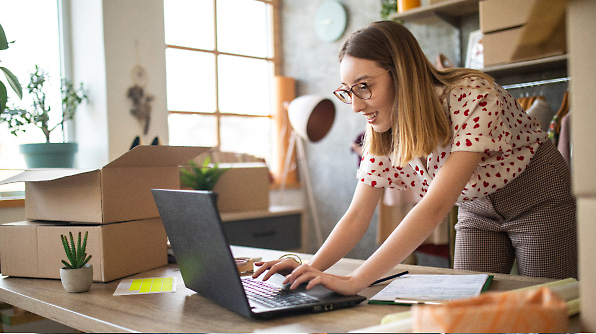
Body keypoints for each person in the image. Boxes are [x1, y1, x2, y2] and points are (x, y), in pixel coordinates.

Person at [253, 21, 577, 296]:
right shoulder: (381, 131)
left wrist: (356, 280)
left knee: (551, 301)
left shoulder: (474, 96)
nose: (355, 106)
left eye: (363, 87)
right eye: (348, 91)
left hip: (537, 198)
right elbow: (357, 214)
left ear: (402, 74)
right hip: (477, 209)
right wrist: (309, 268)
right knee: (464, 308)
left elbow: (435, 207)